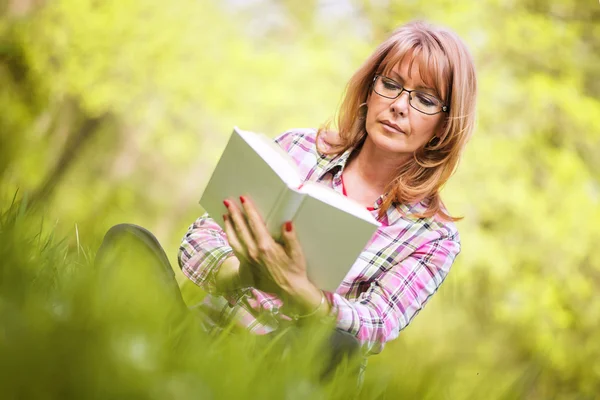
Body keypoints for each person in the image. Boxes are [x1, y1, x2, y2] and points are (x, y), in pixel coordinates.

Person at [98, 20, 477, 380]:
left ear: (445, 125)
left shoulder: (433, 236)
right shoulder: (299, 148)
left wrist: (301, 292)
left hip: (280, 367)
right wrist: (243, 272)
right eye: (391, 84)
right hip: (200, 333)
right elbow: (199, 239)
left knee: (336, 345)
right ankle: (155, 359)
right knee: (129, 241)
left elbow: (376, 325)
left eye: (425, 100)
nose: (399, 105)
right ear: (369, 90)